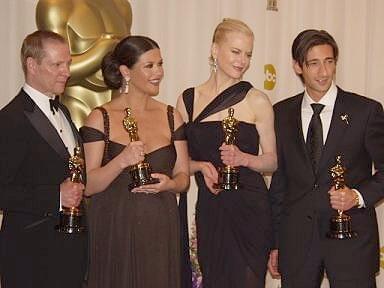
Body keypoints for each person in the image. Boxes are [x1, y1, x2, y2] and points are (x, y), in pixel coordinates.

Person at [268, 29, 384, 288]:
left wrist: (357, 196)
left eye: (329, 62)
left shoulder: (366, 111)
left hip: (351, 241)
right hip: (296, 243)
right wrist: (275, 242)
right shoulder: (280, 113)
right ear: (298, 67)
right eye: (314, 63)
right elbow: (280, 183)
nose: (324, 72)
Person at [80, 35, 189, 288]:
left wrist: (170, 185)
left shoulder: (172, 116)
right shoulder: (100, 118)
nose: (158, 72)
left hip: (160, 226)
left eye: (160, 64)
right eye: (149, 66)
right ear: (125, 72)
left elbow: (183, 177)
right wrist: (121, 161)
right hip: (114, 229)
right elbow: (89, 185)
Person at [176, 18, 277, 288]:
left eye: (248, 54)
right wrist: (199, 166)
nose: (242, 61)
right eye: (235, 51)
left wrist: (244, 158)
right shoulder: (188, 100)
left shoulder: (257, 100)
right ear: (214, 50)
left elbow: (272, 160)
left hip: (250, 209)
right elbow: (177, 158)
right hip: (211, 208)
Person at [0, 30, 87, 288]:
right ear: (32, 65)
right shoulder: (9, 119)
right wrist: (55, 196)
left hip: (71, 251)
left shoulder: (63, 110)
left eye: (68, 63)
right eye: (57, 64)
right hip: (31, 255)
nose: (67, 71)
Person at [36, 0, 132, 127]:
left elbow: (131, 62)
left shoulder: (122, 6)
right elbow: (54, 70)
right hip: (78, 103)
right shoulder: (55, 5)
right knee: (79, 145)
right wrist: (100, 51)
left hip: (119, 104)